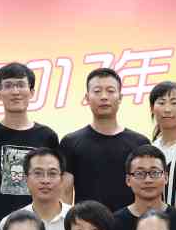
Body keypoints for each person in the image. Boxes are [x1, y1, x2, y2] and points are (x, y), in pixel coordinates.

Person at [0, 61, 61, 220]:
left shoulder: (47, 136)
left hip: (39, 221)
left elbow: (54, 182)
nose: (15, 92)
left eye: (21, 85)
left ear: (32, 92)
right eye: (8, 86)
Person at [60, 65, 141, 211]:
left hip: (129, 223)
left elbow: (145, 189)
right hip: (86, 222)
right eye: (97, 91)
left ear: (120, 97)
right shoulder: (70, 142)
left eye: (110, 91)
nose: (104, 97)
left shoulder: (139, 143)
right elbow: (65, 193)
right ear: (87, 98)